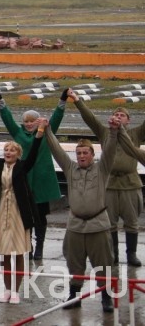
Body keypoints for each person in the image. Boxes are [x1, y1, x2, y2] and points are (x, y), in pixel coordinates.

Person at [42, 117, 116, 313]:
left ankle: (106, 297)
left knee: (103, 263)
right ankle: (74, 295)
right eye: (79, 153)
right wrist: (48, 130)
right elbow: (57, 151)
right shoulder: (70, 168)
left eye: (85, 153)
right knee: (74, 262)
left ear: (93, 154)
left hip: (98, 225)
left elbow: (110, 150)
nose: (82, 156)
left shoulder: (102, 169)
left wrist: (114, 131)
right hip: (75, 225)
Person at [0, 89, 65, 261]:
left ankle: (40, 246)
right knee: (24, 214)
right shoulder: (18, 133)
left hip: (42, 181)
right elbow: (7, 119)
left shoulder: (46, 132)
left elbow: (57, 118)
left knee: (41, 216)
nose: (28, 124)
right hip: (23, 180)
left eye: (32, 121)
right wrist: (0, 99)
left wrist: (63, 100)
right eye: (26, 121)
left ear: (38, 121)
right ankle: (27, 245)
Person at [0, 115, 43, 304]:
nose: (8, 152)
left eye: (12, 150)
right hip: (0, 214)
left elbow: (34, 154)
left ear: (17, 154)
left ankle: (16, 290)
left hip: (18, 213)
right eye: (6, 149)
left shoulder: (22, 167)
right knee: (5, 253)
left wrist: (39, 133)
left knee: (20, 252)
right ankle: (7, 289)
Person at [72, 92, 143, 267]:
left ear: (128, 120)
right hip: (109, 185)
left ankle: (131, 254)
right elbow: (90, 119)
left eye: (122, 116)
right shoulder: (104, 132)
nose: (119, 117)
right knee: (109, 223)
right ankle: (114, 254)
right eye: (116, 115)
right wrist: (77, 101)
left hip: (130, 184)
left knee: (131, 222)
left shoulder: (136, 134)